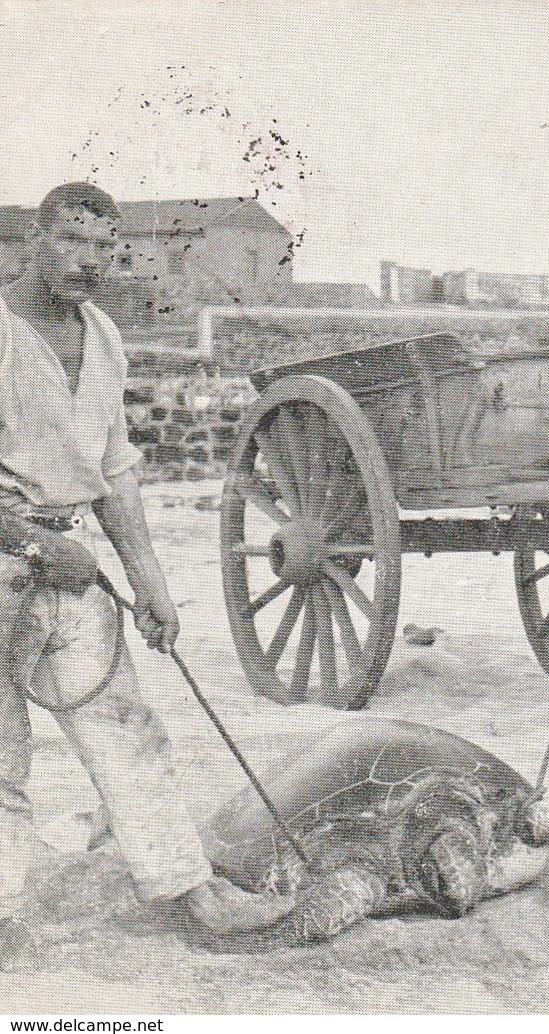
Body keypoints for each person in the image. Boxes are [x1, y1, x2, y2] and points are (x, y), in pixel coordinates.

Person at [0, 183, 292, 960]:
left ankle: (183, 889)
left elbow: (116, 471)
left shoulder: (103, 335)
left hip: (75, 572)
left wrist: (151, 580)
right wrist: (30, 542)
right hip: (6, 567)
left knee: (128, 731)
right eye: (71, 241)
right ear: (35, 239)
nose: (88, 262)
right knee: (1, 757)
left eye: (103, 248)